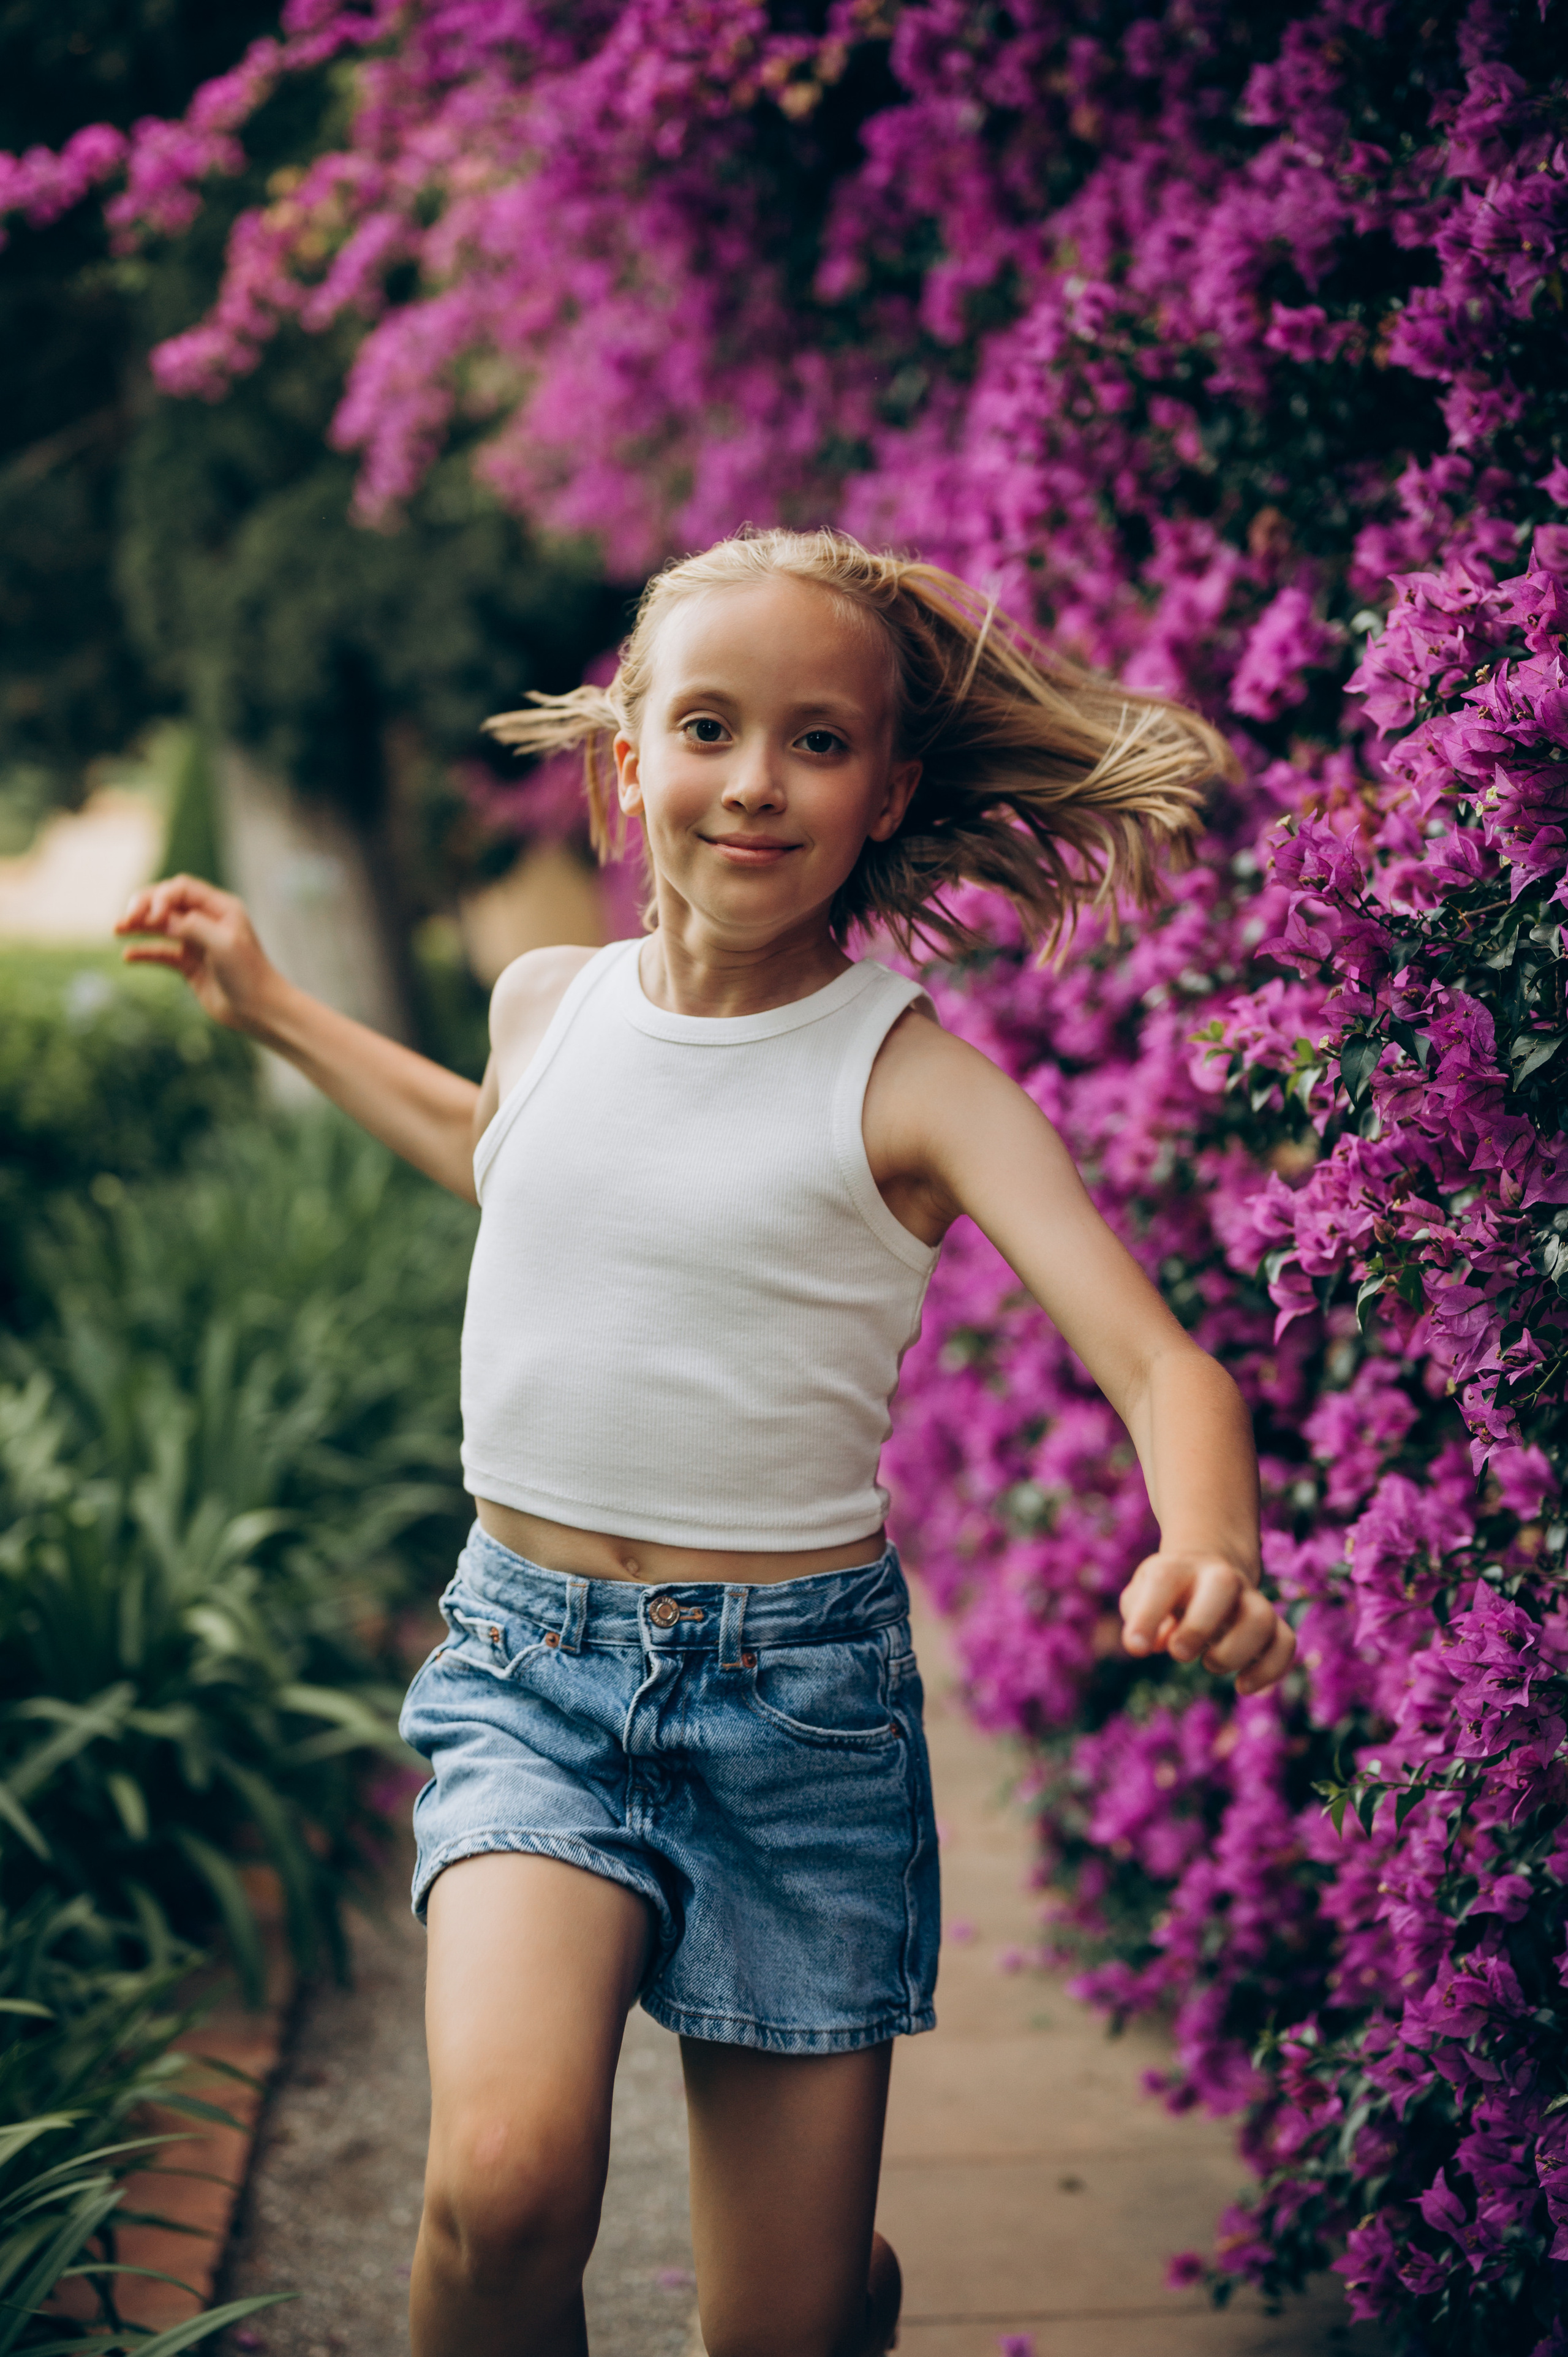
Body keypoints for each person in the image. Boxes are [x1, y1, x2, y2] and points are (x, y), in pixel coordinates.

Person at [118, 526, 1295, 2357]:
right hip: (532, 1671)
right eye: (709, 729)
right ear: (624, 762)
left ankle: (836, 2300)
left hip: (796, 1723)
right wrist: (269, 1005)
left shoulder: (914, 1082)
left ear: (887, 791)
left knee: (779, 2332)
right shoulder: (546, 1004)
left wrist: (1207, 1544)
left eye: (818, 743)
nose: (756, 782)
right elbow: (512, 1165)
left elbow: (1162, 1368)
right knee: (502, 2187)